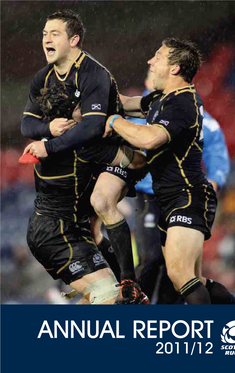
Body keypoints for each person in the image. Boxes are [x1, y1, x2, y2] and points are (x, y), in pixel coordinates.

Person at [21, 10, 148, 304]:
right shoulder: (69, 143)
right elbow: (29, 124)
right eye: (44, 34)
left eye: (54, 33)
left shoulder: (93, 79)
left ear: (74, 40)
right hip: (53, 233)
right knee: (108, 294)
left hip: (75, 231)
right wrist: (48, 130)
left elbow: (99, 123)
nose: (46, 39)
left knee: (113, 299)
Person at [104, 38, 235, 304]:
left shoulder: (183, 102)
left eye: (157, 56)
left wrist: (113, 121)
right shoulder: (164, 99)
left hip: (186, 196)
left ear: (175, 68)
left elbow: (150, 139)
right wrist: (95, 96)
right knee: (193, 280)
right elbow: (127, 102)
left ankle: (207, 338)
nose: (150, 62)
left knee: (179, 275)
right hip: (173, 199)